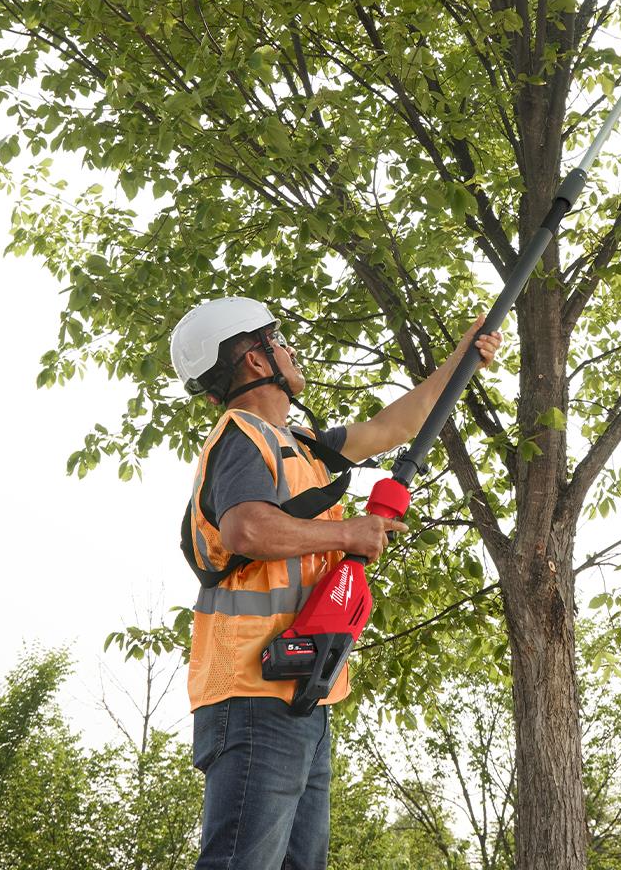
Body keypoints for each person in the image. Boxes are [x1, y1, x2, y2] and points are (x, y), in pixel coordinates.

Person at [170, 296, 502, 870]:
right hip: (253, 692)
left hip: (301, 690)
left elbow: (393, 426)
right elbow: (247, 528)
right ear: (256, 360)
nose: (290, 350)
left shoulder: (302, 445)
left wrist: (463, 358)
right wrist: (348, 533)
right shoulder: (243, 435)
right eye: (278, 339)